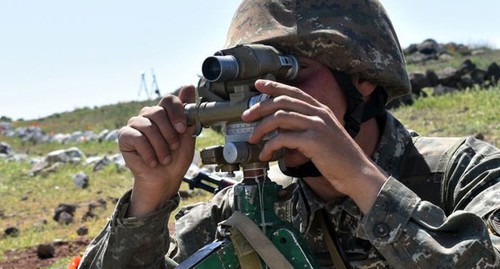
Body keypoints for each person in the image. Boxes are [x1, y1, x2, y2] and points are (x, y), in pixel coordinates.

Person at [79, 0, 500, 268]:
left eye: (288, 74)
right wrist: (148, 198)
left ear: (362, 79)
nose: (264, 99)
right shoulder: (246, 211)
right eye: (251, 84)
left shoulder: (463, 173)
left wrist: (359, 178)